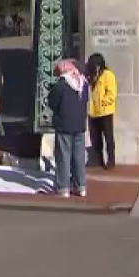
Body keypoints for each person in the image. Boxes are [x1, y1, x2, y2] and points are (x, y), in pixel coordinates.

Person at [49, 59, 89, 197]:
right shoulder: (83, 83)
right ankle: (81, 186)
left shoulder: (62, 84)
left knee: (63, 156)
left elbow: (52, 102)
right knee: (79, 157)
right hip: (79, 124)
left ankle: (63, 187)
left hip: (64, 124)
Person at [86, 53, 116, 169]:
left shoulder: (107, 75)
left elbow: (112, 94)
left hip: (105, 112)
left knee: (108, 137)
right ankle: (98, 160)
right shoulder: (92, 76)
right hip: (93, 112)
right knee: (95, 137)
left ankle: (111, 160)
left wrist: (102, 102)